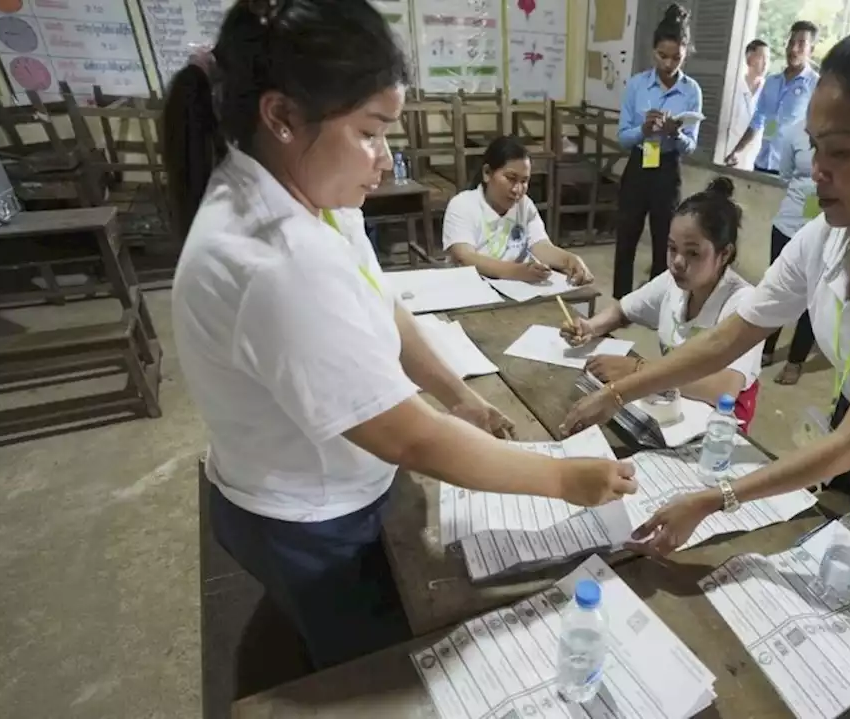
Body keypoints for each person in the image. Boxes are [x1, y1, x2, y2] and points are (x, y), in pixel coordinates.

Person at [163, 0, 635, 669]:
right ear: (282, 116)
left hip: (325, 483)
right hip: (307, 520)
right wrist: (562, 479)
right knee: (371, 664)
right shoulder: (275, 261)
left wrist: (459, 395)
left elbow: (382, 305)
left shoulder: (307, 193)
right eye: (369, 131)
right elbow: (412, 437)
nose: (385, 159)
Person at [562, 15, 850, 579]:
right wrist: (618, 393)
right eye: (813, 147)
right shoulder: (830, 234)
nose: (817, 170)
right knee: (838, 571)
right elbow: (730, 337)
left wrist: (715, 500)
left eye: (841, 152)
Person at [560, 178, 764, 432]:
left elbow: (723, 388)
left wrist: (638, 370)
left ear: (724, 254)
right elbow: (623, 310)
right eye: (671, 248)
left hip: (717, 427)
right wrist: (590, 327)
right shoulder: (672, 282)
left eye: (693, 253)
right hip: (671, 408)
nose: (677, 262)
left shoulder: (743, 302)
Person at [613, 3, 703, 299]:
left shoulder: (692, 91)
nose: (668, 63)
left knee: (665, 240)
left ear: (686, 53)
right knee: (626, 236)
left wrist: (675, 134)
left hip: (668, 168)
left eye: (676, 57)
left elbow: (690, 146)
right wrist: (643, 130)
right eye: (662, 56)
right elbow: (623, 138)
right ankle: (621, 300)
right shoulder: (638, 85)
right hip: (639, 165)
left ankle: (654, 300)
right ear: (654, 52)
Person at [443, 135, 592, 284]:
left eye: (524, 181)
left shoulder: (524, 205)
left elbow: (540, 246)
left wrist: (569, 260)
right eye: (511, 178)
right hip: (473, 290)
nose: (517, 189)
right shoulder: (462, 205)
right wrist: (516, 271)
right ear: (487, 173)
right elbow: (466, 257)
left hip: (515, 289)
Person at [761, 119, 819, 384]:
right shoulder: (794, 131)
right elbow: (785, 173)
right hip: (788, 223)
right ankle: (766, 349)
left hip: (823, 228)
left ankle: (795, 361)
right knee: (777, 290)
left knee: (813, 298)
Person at [724, 21, 818, 175]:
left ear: (811, 50)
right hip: (762, 164)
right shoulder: (771, 82)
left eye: (801, 44)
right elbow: (757, 121)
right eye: (790, 43)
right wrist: (736, 151)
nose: (793, 49)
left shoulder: (815, 85)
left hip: (791, 172)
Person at [722, 39, 769, 173]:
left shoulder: (768, 90)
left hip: (755, 158)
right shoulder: (732, 87)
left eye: (768, 58)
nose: (766, 63)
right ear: (749, 60)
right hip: (729, 153)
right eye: (762, 57)